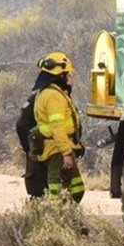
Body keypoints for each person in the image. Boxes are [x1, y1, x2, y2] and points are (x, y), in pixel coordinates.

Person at [32, 52, 86, 203]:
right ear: (59, 75)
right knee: (58, 188)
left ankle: (66, 212)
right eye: (66, 74)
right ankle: (56, 212)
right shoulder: (53, 96)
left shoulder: (51, 92)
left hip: (58, 147)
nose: (69, 78)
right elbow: (57, 127)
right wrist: (66, 153)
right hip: (56, 149)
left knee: (76, 188)